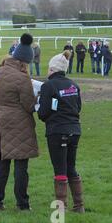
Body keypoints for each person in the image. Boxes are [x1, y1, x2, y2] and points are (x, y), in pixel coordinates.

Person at [0, 33, 39, 211]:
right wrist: (37, 97)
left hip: (1, 121)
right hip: (20, 123)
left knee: (2, 164)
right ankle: (22, 203)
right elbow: (28, 105)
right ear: (24, 61)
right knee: (21, 166)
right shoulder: (22, 78)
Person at [37, 50, 85, 213]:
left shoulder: (48, 86)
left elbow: (43, 114)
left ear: (52, 69)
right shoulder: (74, 85)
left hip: (57, 131)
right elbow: (78, 107)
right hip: (75, 129)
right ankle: (79, 206)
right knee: (71, 167)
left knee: (60, 169)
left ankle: (60, 209)